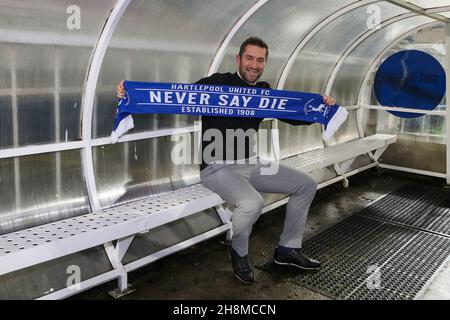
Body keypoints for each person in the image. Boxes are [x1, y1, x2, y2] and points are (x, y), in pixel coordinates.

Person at [117, 36, 336, 285]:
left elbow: (292, 113)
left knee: (306, 184)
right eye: (249, 58)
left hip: (251, 163)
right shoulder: (217, 83)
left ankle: (287, 250)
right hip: (216, 167)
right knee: (252, 203)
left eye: (260, 60)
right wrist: (131, 92)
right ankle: (239, 253)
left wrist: (322, 106)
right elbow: (176, 95)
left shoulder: (263, 91)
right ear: (239, 59)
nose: (254, 64)